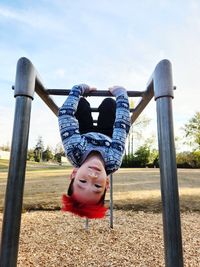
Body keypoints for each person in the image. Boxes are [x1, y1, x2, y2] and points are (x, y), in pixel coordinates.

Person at [58, 84, 130, 219]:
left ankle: (82, 101)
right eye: (97, 185)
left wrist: (78, 89)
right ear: (106, 183)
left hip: (84, 135)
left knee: (81, 103)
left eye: (83, 181)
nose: (92, 176)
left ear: (74, 173)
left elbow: (65, 116)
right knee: (109, 104)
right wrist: (121, 94)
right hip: (108, 136)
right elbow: (122, 125)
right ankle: (109, 104)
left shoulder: (74, 150)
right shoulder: (113, 159)